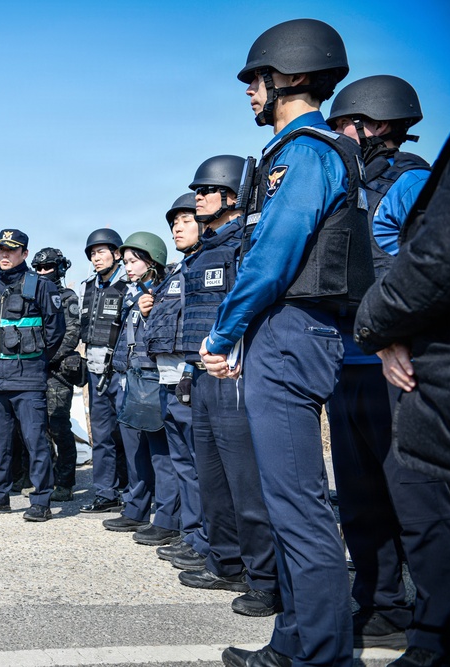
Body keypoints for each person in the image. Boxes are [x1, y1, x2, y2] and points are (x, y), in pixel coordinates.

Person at [201, 20, 373, 667]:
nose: (249, 89)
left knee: (299, 507)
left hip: (289, 332)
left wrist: (225, 329)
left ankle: (324, 655)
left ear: (292, 76)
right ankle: (295, 643)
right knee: (286, 501)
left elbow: (273, 257)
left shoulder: (305, 152)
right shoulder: (295, 152)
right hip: (288, 333)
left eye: (256, 78)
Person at [330, 79, 450, 665]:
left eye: (345, 126)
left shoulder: (412, 181)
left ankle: (439, 631)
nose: (337, 138)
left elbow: (430, 269)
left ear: (376, 125)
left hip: (398, 365)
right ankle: (382, 606)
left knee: (418, 505)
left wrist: (396, 336)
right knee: (360, 500)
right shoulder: (346, 187)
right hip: (349, 359)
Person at [181, 157, 280, 618]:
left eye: (207, 190)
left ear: (232, 197)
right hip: (203, 375)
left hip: (235, 373)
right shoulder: (204, 250)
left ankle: (264, 579)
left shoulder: (246, 242)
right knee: (213, 478)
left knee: (246, 483)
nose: (198, 198)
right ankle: (225, 561)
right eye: (197, 191)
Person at [0, 229, 65, 522]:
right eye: (1, 250)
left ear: (24, 253)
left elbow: (56, 331)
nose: (5, 255)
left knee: (35, 441)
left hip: (28, 378)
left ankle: (41, 500)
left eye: (12, 250)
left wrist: (36, 361)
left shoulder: (41, 286)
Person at [143, 194, 210, 569]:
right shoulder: (178, 272)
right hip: (169, 377)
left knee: (200, 462)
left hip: (194, 375)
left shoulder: (207, 266)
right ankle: (192, 532)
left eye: (186, 219)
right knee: (183, 460)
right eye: (174, 222)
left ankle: (206, 538)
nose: (177, 227)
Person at [107, 232, 178, 547]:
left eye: (134, 261)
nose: (129, 268)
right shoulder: (133, 294)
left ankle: (166, 519)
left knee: (161, 454)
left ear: (153, 261)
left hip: (154, 379)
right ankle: (135, 510)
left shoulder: (163, 293)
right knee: (135, 450)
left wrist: (152, 312)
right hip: (131, 378)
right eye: (126, 262)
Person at [78, 229, 131, 515]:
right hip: (95, 369)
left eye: (101, 252)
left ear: (116, 253)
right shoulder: (88, 287)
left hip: (123, 369)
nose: (96, 258)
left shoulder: (128, 284)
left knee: (131, 434)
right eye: (92, 253)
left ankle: (136, 492)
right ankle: (105, 493)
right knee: (101, 435)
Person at [30, 247, 81, 502]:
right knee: (36, 428)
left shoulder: (67, 296)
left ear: (59, 268)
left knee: (59, 427)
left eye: (46, 267)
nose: (41, 272)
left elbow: (71, 333)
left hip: (56, 370)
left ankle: (65, 482)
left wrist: (46, 357)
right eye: (37, 268)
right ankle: (44, 479)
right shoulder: (32, 296)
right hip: (33, 371)